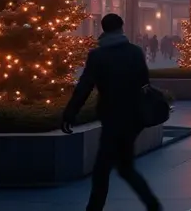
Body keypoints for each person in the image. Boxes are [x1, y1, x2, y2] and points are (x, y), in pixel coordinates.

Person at [62, 13, 161, 211]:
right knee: (124, 168)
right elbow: (144, 83)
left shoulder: (98, 56)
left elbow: (85, 86)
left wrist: (70, 112)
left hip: (112, 118)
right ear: (122, 27)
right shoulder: (135, 52)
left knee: (102, 170)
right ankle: (152, 205)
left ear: (103, 29)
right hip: (133, 118)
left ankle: (95, 209)